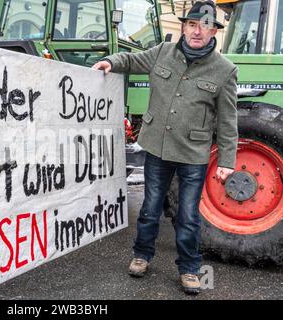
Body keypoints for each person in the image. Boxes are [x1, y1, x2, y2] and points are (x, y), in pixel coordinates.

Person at [92, 0, 238, 294]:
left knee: (187, 214)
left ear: (214, 33)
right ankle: (142, 255)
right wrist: (111, 61)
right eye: (193, 24)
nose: (198, 31)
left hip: (193, 153)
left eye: (205, 26)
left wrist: (227, 160)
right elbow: (132, 60)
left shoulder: (224, 70)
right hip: (158, 146)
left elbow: (228, 120)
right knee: (149, 207)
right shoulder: (162, 52)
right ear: (184, 27)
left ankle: (189, 268)